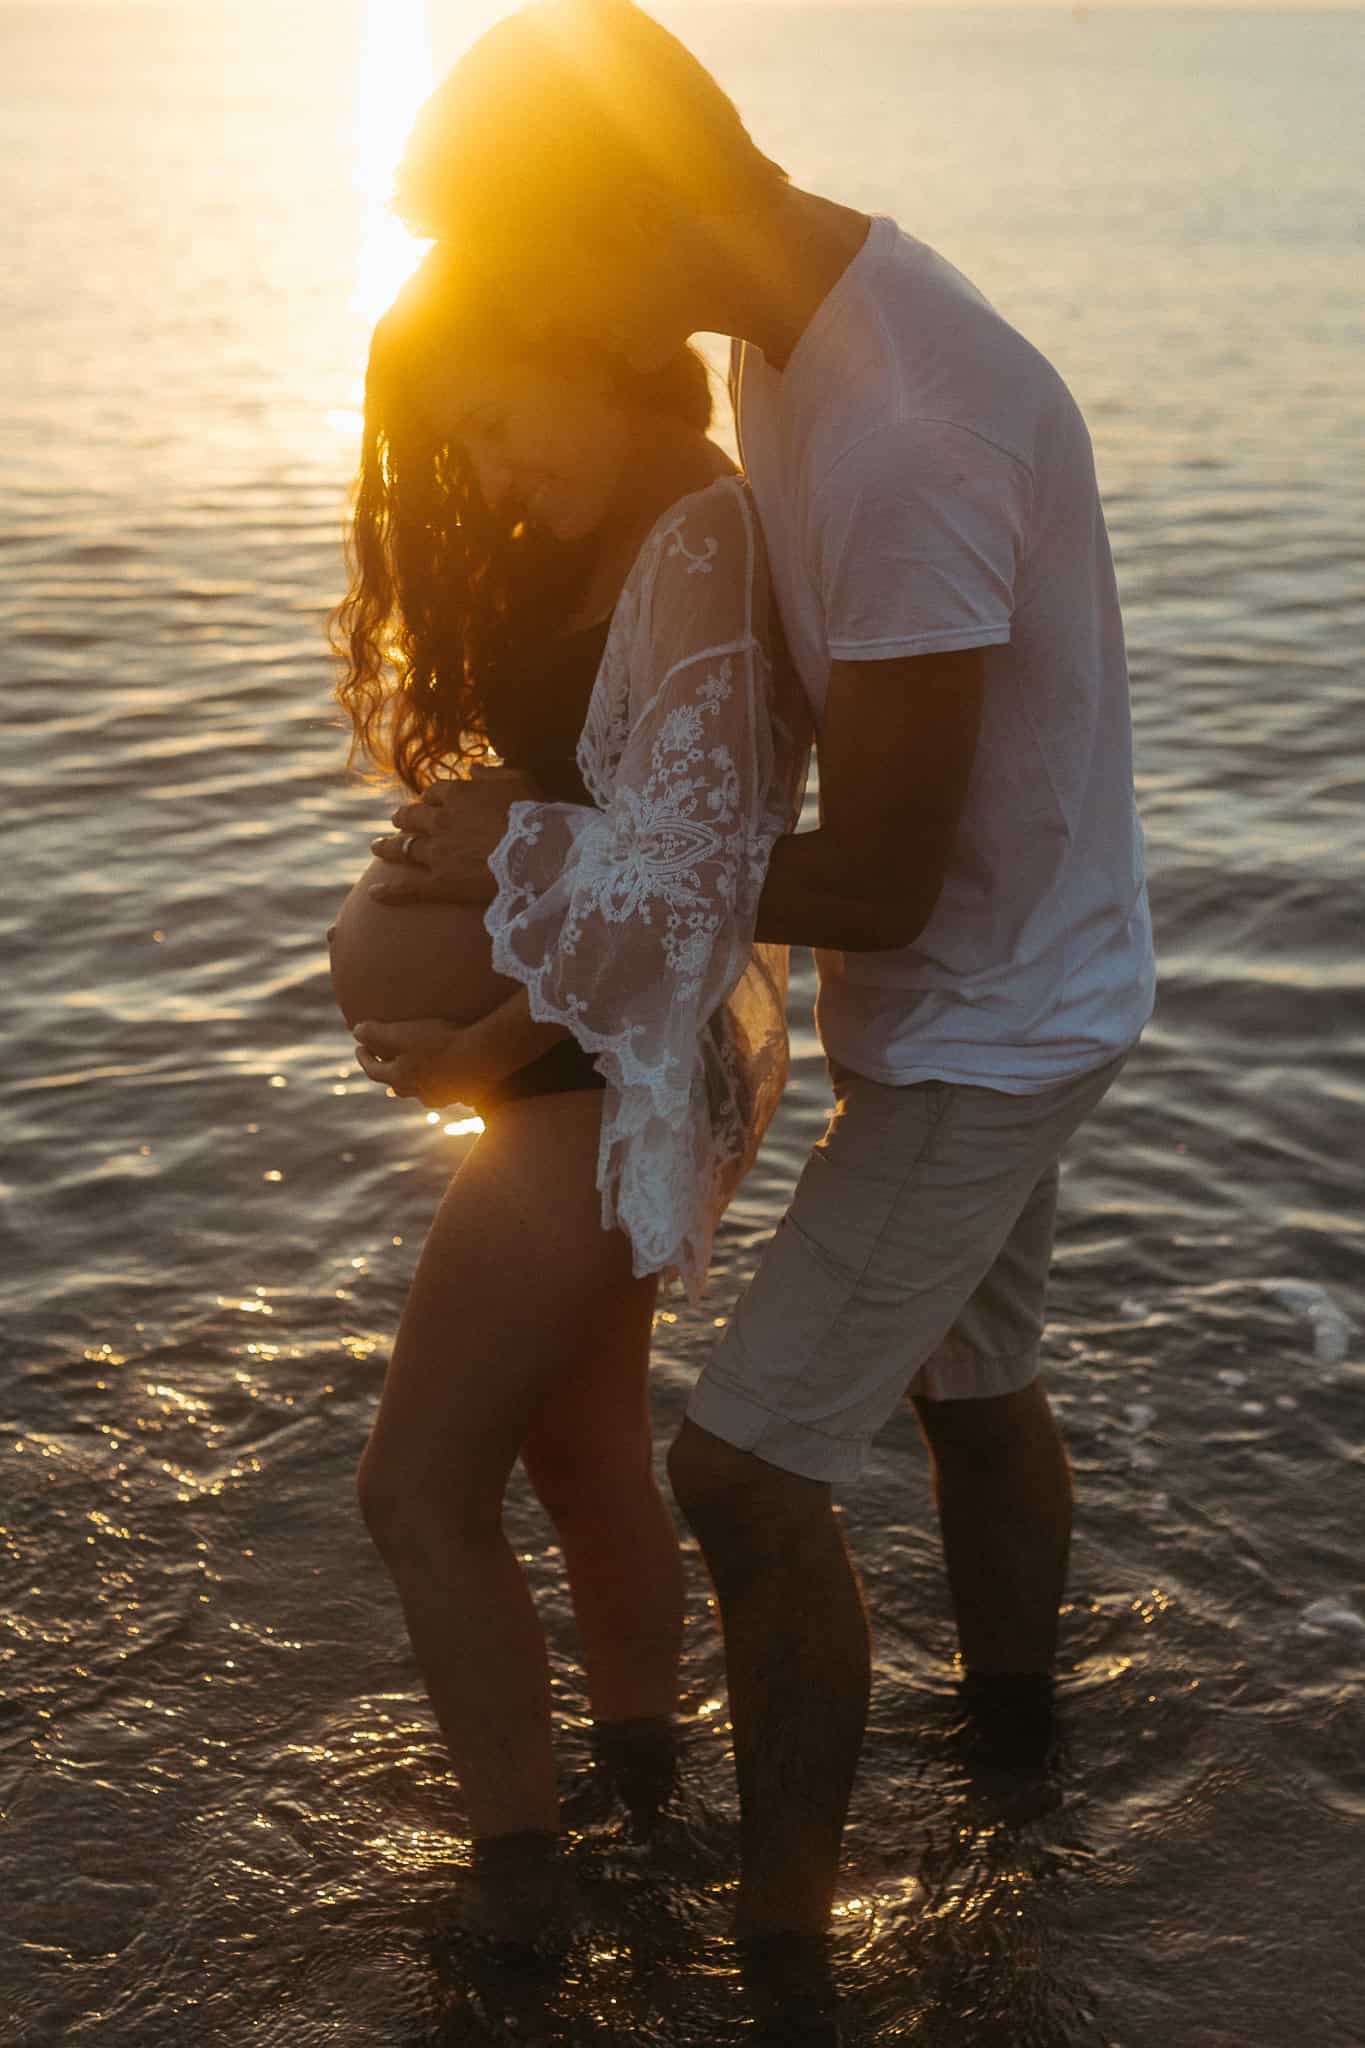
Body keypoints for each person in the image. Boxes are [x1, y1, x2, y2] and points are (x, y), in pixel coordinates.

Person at [366, 0, 1156, 2012]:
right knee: (969, 1397)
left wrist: (523, 853)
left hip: (990, 1011)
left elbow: (871, 875)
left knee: (738, 1470)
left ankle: (785, 1956)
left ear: (634, 219)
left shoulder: (905, 428)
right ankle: (1015, 1764)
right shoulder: (794, 326)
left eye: (533, 265)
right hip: (983, 975)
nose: (532, 317)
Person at [330, 242, 807, 1941]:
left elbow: (700, 869)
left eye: (498, 425)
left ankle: (519, 1888)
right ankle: (639, 1780)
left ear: (592, 349)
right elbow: (616, 801)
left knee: (415, 1488)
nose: (482, 474)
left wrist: (476, 1044)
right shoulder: (632, 522)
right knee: (577, 1441)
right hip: (585, 1055)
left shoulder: (697, 533)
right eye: (453, 442)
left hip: (602, 1067)